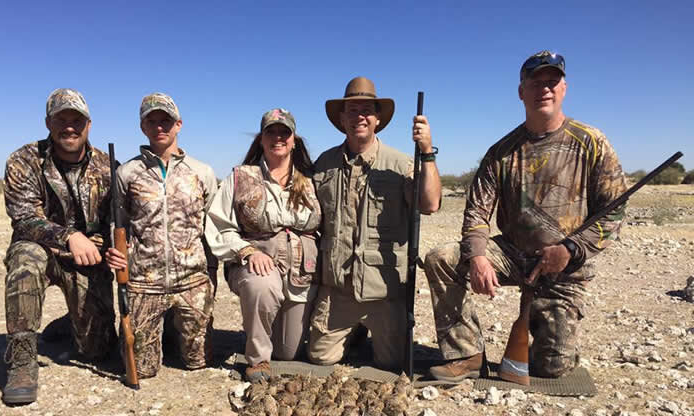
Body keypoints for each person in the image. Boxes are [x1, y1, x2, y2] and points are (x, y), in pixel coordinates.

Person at [423, 50, 628, 383]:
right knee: (440, 258)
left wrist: (571, 250)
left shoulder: (593, 142)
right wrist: (477, 257)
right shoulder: (501, 152)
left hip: (565, 265)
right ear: (521, 92)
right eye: (535, 83)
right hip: (513, 254)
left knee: (552, 367)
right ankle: (466, 355)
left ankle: (552, 333)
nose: (544, 89)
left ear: (564, 88)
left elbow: (614, 211)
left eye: (552, 81)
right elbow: (477, 211)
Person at [308, 77, 441, 371]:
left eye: (366, 110)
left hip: (384, 290)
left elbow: (430, 203)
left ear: (378, 119)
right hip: (338, 290)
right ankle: (353, 330)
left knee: (390, 363)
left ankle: (372, 326)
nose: (360, 117)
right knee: (320, 358)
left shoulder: (401, 162)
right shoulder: (323, 164)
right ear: (342, 119)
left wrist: (427, 150)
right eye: (352, 110)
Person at [2, 88, 117, 404]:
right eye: (60, 119)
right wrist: (69, 236)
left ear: (89, 125)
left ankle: (71, 323)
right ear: (48, 122)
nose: (69, 126)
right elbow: (23, 218)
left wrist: (113, 247)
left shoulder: (109, 167)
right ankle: (22, 359)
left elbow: (117, 222)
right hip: (45, 251)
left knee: (98, 352)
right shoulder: (24, 160)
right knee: (26, 257)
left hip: (88, 260)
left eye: (76, 119)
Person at [105, 93, 217, 379]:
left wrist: (210, 277)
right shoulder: (127, 173)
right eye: (151, 121)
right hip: (145, 282)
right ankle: (156, 331)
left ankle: (174, 329)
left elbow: (213, 229)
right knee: (142, 370)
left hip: (192, 280)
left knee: (197, 362)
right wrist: (116, 252)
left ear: (178, 124)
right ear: (143, 127)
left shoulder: (202, 172)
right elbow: (119, 224)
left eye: (165, 120)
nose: (159, 127)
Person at [206, 108, 321, 383]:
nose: (278, 137)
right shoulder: (240, 176)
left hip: (300, 273)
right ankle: (257, 359)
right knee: (261, 284)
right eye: (271, 132)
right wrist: (246, 251)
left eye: (285, 132)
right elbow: (219, 224)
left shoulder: (312, 179)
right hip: (257, 264)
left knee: (288, 352)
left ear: (294, 139)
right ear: (261, 138)